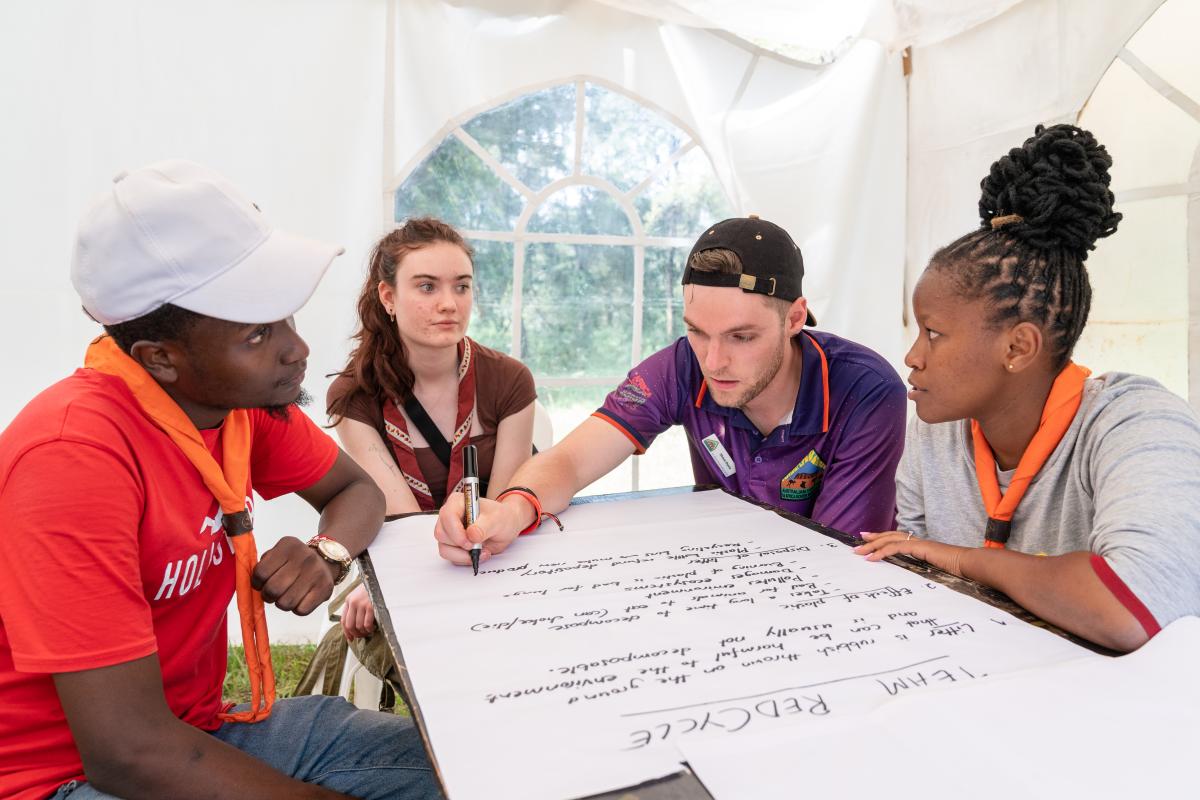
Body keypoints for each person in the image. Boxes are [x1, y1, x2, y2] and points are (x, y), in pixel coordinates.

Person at [0, 161, 442, 800]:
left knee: (464, 767)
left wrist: (328, 551)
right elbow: (126, 754)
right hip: (59, 778)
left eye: (286, 318)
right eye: (259, 332)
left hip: (196, 733)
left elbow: (357, 492)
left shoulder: (235, 406)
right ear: (161, 359)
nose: (298, 349)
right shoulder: (72, 460)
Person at [854, 124, 1200, 653]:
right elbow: (913, 570)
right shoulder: (937, 430)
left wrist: (965, 558)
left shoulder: (1138, 423)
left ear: (1018, 348)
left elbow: (1130, 606)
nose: (913, 357)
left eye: (934, 333)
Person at [434, 215, 907, 567]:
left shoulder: (864, 390)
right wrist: (511, 509)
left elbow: (838, 559)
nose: (713, 361)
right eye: (698, 331)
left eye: (742, 337)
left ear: (795, 319)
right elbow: (573, 459)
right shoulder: (683, 364)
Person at [326, 217, 535, 642]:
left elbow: (501, 508)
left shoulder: (510, 380)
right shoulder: (354, 394)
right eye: (427, 287)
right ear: (389, 296)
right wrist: (387, 583)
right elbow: (401, 521)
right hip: (410, 562)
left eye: (461, 286)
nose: (449, 303)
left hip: (497, 558)